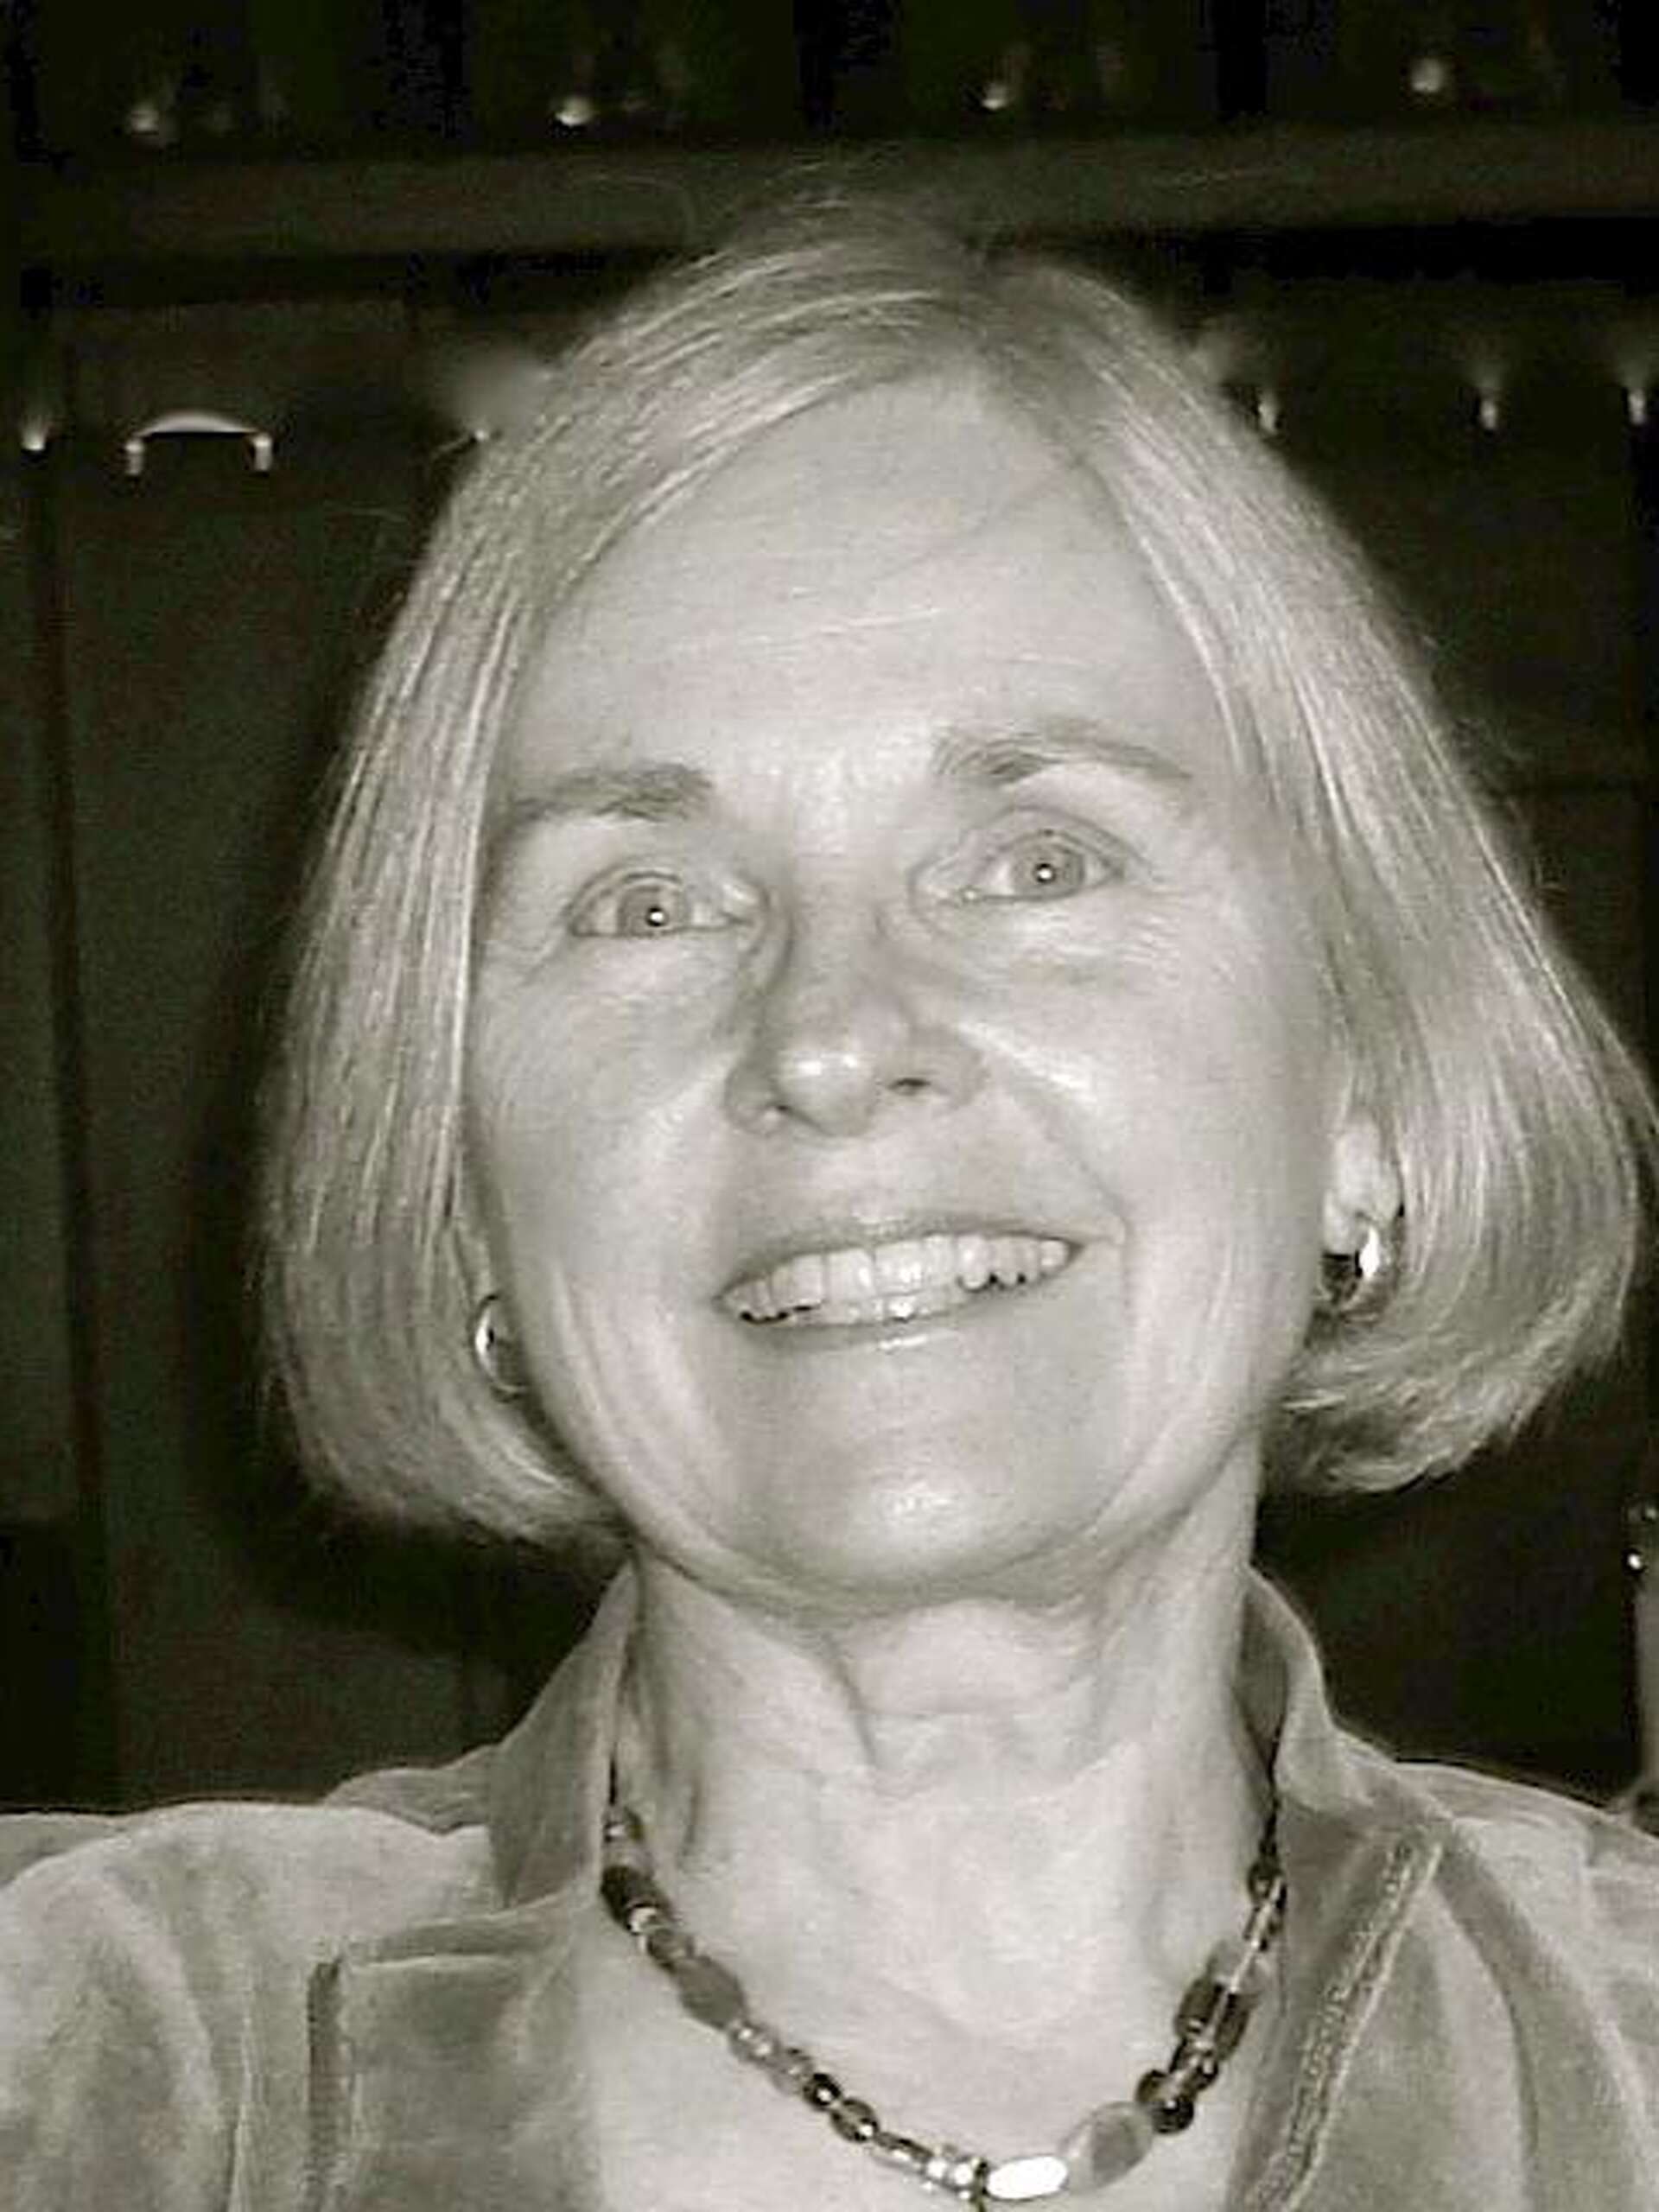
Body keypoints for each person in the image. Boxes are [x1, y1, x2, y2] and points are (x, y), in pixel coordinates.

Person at [3, 192, 1657, 2210]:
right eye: (647, 900)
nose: (832, 1034)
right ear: (463, 1188)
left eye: (1037, 862)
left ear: (1367, 1087)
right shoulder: (92, 2054)